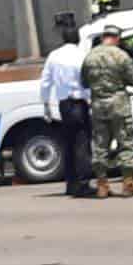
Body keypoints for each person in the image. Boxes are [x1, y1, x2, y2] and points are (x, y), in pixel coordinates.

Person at [80, 25, 133, 199]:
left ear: (102, 37)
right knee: (125, 142)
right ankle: (128, 184)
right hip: (119, 104)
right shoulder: (121, 56)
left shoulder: (89, 57)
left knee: (100, 146)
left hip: (99, 105)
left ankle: (102, 185)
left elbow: (84, 82)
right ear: (117, 38)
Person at [39, 23, 91, 197]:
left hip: (64, 105)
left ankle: (71, 184)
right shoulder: (82, 55)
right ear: (77, 38)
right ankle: (83, 184)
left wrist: (46, 104)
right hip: (79, 103)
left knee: (68, 144)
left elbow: (46, 82)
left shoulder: (54, 56)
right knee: (82, 143)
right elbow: (87, 80)